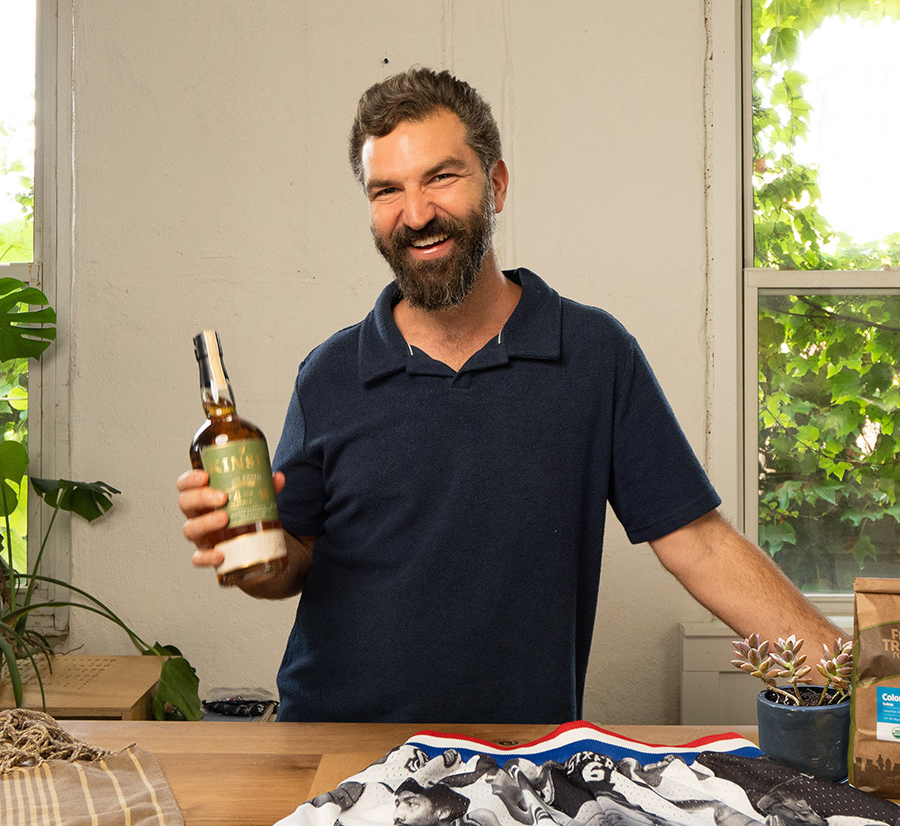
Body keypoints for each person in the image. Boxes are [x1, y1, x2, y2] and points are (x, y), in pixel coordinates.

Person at [178, 67, 845, 723]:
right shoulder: (329, 372)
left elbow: (699, 544)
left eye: (441, 176)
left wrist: (862, 684)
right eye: (387, 190)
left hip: (518, 760)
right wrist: (243, 556)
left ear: (495, 184)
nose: (416, 214)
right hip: (334, 743)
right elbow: (291, 559)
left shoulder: (592, 354)